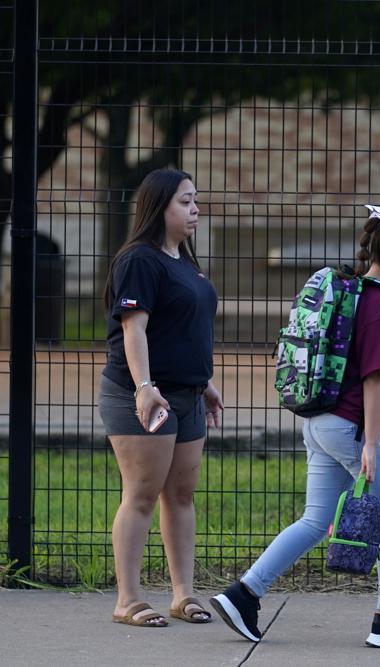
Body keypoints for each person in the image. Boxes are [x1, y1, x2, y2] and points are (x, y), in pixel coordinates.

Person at [211, 202, 380, 648]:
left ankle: (244, 593)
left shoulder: (352, 293)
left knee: (316, 519)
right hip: (355, 426)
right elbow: (376, 376)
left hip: (321, 421)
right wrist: (372, 443)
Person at [99, 168, 223, 627]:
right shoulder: (140, 260)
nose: (195, 209)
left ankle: (182, 594)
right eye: (185, 201)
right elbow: (135, 330)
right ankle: (127, 599)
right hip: (143, 394)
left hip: (188, 396)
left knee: (181, 494)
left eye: (195, 200)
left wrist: (202, 383)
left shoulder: (182, 260)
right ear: (159, 207)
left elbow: (184, 327)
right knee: (143, 493)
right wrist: (145, 387)